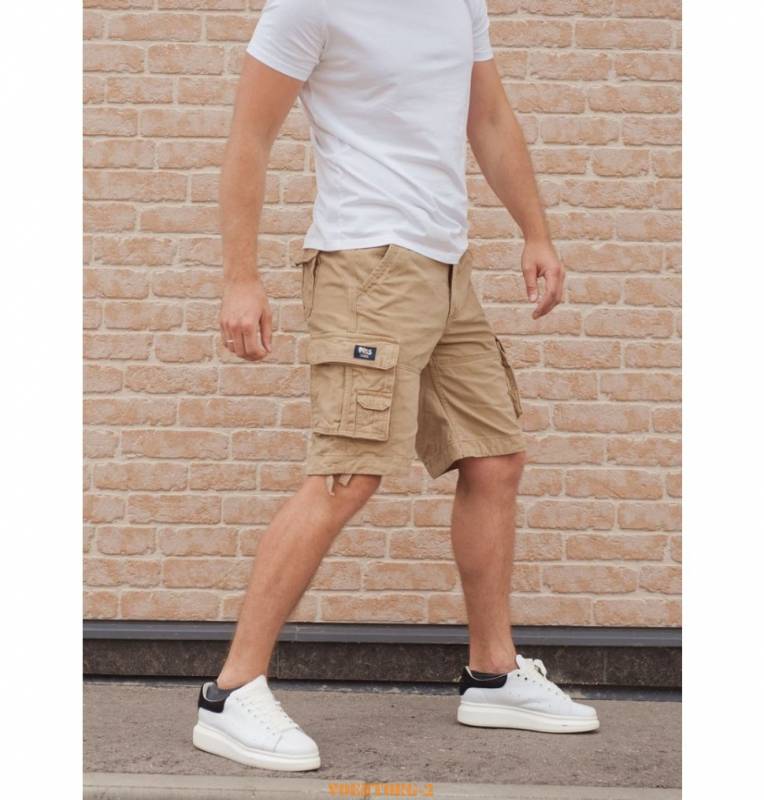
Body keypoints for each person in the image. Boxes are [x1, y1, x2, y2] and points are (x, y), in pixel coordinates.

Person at [192, 0, 599, 772]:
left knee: (494, 458)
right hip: (365, 265)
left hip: (446, 266)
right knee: (347, 473)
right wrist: (240, 277)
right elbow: (250, 135)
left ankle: (493, 674)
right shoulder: (310, 5)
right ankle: (231, 692)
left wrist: (535, 231)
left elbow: (488, 117)